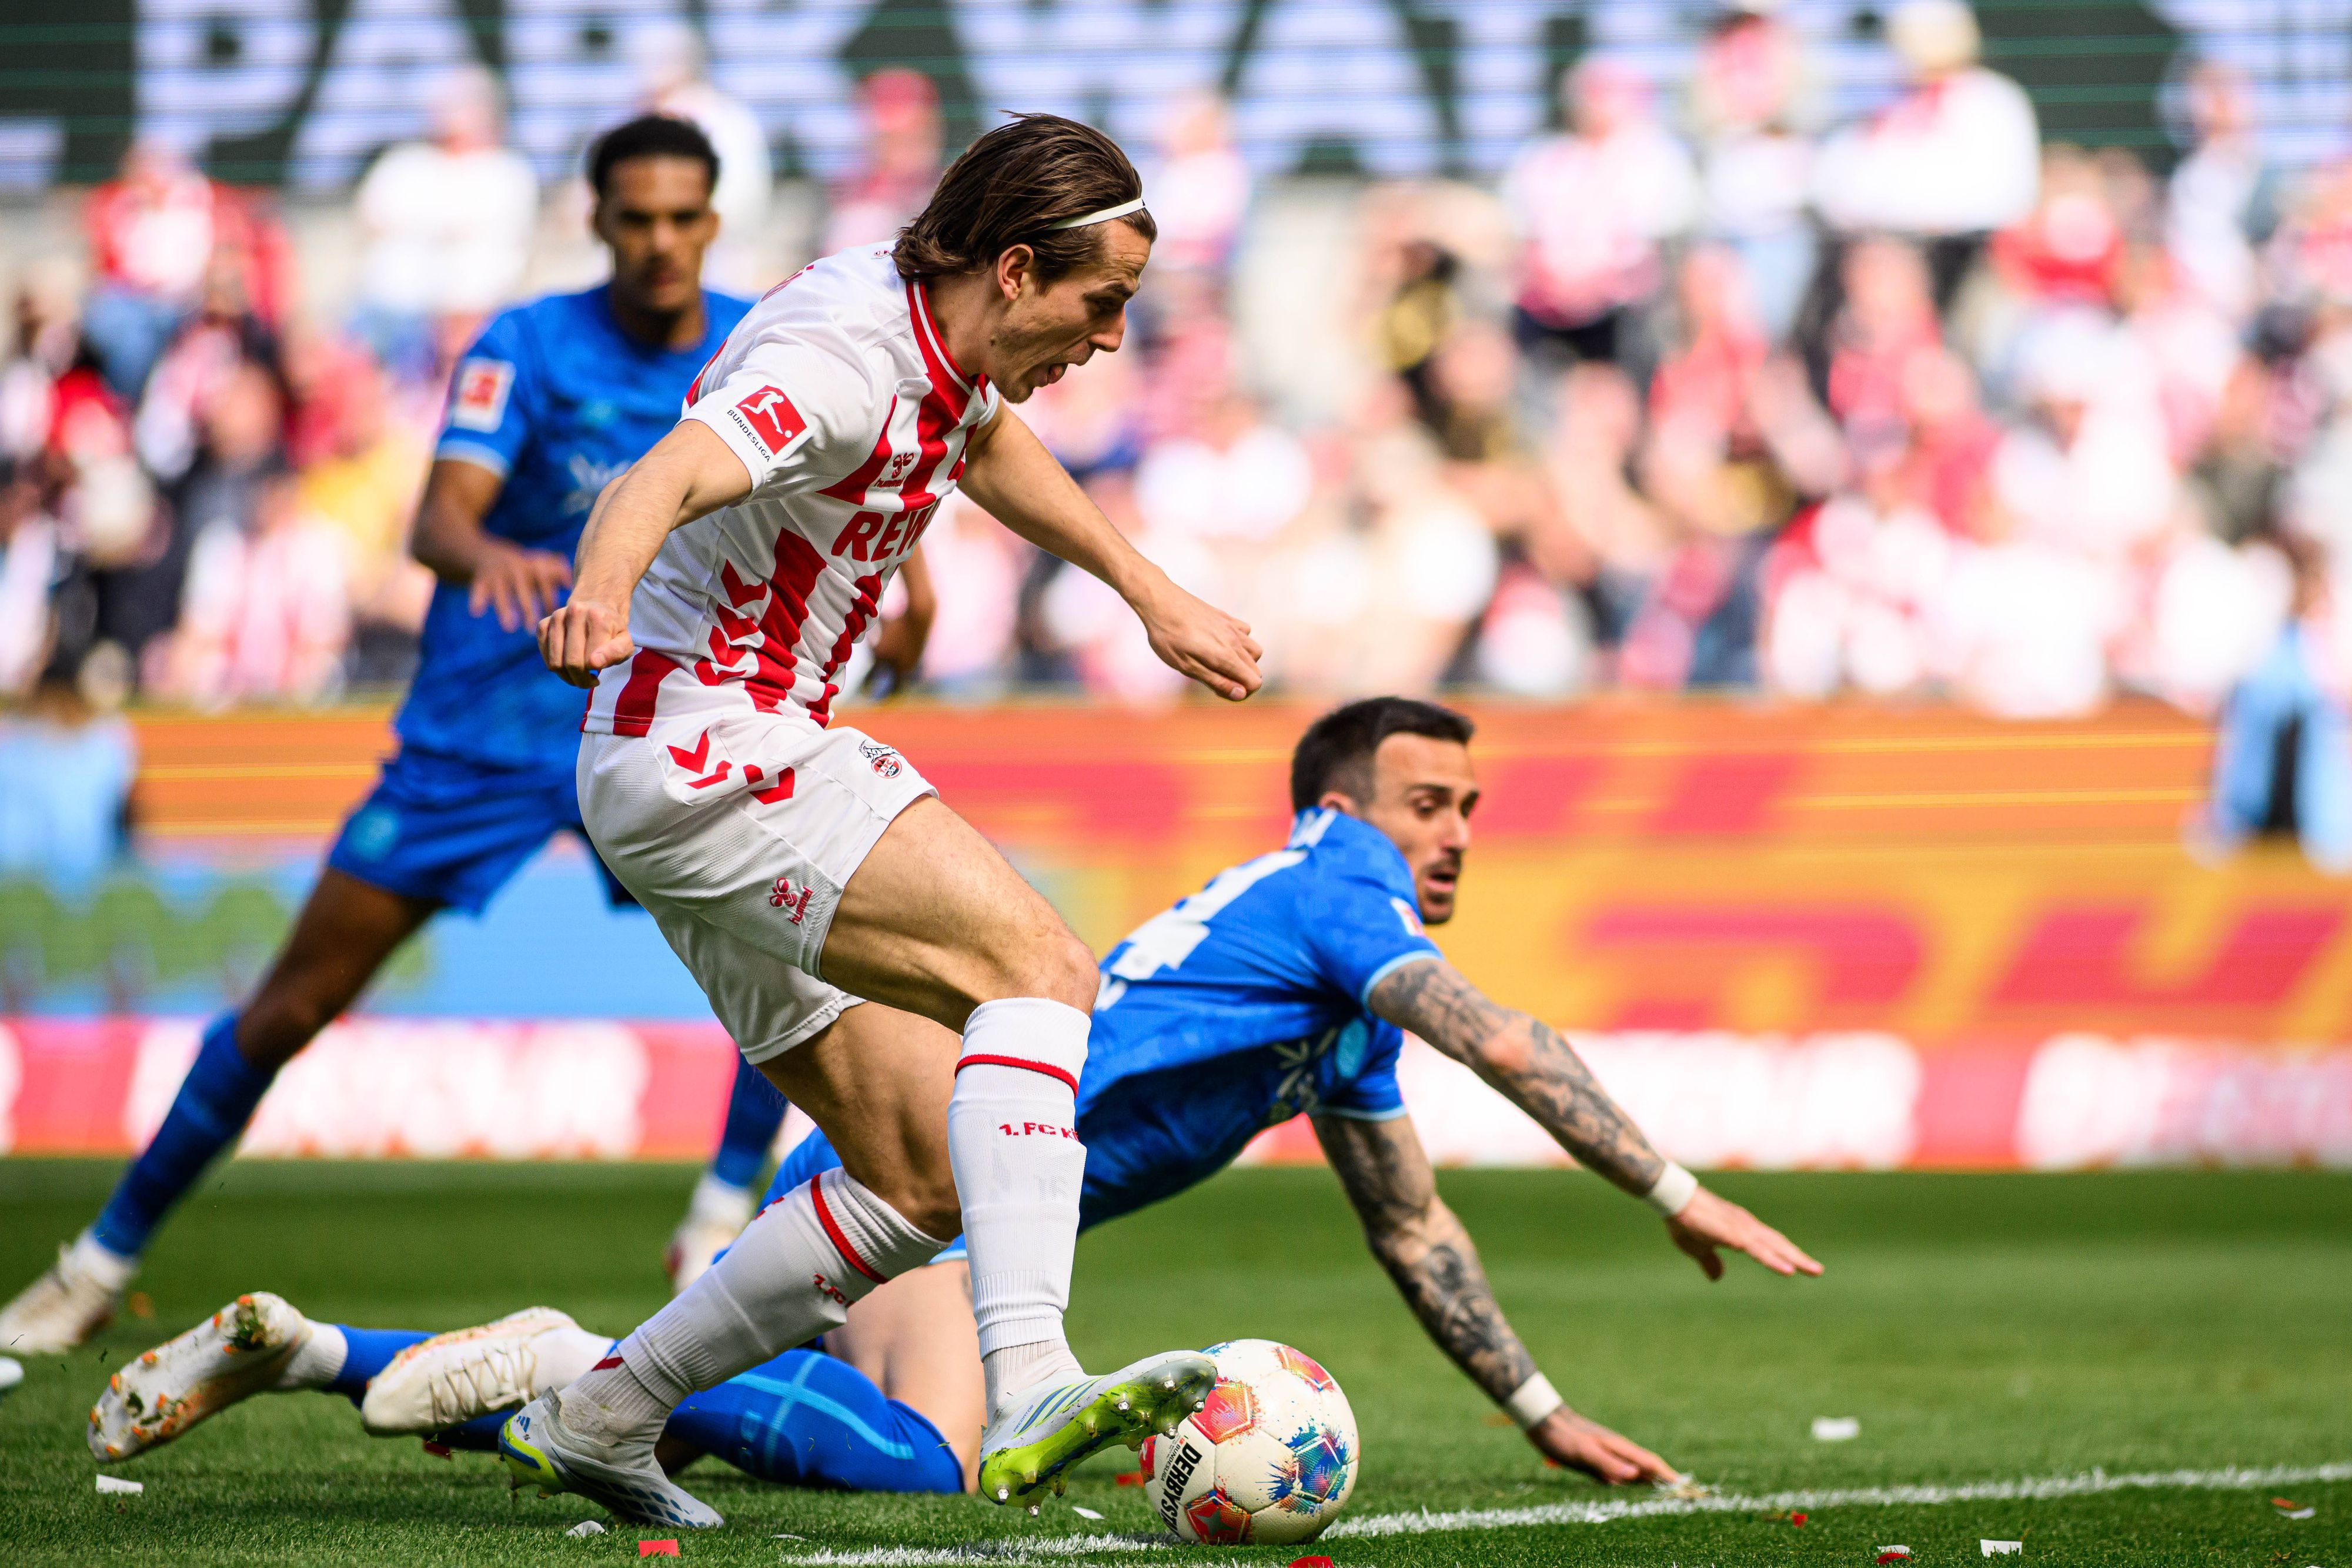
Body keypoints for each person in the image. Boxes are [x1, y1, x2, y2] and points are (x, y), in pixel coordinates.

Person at [92, 699, 1818, 1500]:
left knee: (834, 1414)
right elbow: (1505, 1041)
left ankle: (323, 1354)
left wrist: (1536, 1413)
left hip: (943, 1172)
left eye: (1474, 806)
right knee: (925, 1465)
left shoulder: (1324, 1001)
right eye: (1432, 799)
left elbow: (1412, 1221)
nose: (1457, 831)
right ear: (1346, 805)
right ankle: (554, 1367)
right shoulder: (1325, 888)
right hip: (926, 1159)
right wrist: (1676, 1192)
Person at [516, 112, 1263, 1528]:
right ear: (1019, 265)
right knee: (1038, 970)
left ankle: (602, 1409)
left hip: (684, 762)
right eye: (1100, 306)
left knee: (917, 1172)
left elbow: (983, 440)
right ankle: (1033, 1370)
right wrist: (602, 591)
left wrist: (1145, 589)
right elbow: (664, 473)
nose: (1106, 342)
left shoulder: (932, 329)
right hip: (711, 737)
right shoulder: (841, 362)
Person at [0, 115, 754, 1353]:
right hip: (481, 736)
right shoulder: (526, 346)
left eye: (684, 216)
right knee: (293, 1002)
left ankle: (717, 1221)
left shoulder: (751, 343)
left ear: (713, 220)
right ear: (598, 219)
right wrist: (496, 553)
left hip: (654, 722)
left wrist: (915, 590)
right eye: (638, 217)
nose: (661, 240)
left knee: (787, 967)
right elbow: (435, 523)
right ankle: (96, 1260)